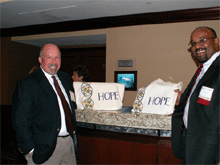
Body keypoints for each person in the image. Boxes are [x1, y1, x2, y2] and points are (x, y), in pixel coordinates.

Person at [11, 44, 78, 164]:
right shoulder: (27, 83)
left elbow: (70, 105)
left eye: (57, 57)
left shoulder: (65, 78)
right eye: (49, 57)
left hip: (68, 144)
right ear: (40, 59)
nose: (54, 61)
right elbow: (20, 121)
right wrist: (29, 150)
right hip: (43, 148)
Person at [172, 26, 219, 164]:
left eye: (202, 40)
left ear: (216, 41)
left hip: (210, 149)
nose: (197, 46)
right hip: (192, 144)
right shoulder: (203, 70)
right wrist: (185, 100)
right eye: (193, 43)